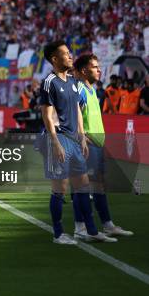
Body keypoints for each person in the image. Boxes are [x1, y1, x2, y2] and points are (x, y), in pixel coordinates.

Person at [39, 41, 115, 244]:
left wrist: (81, 136)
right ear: (54, 59)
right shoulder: (49, 82)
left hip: (74, 140)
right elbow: (47, 116)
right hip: (57, 139)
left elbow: (78, 112)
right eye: (65, 53)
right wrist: (55, 143)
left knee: (82, 185)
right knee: (60, 188)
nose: (70, 56)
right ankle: (58, 234)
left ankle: (89, 231)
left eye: (69, 52)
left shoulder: (73, 82)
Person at [72, 54, 133, 239]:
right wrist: (82, 138)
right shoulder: (80, 89)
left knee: (98, 187)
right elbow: (74, 115)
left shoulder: (93, 90)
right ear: (84, 71)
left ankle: (107, 224)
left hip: (97, 145)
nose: (99, 70)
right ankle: (81, 228)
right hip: (88, 146)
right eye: (94, 67)